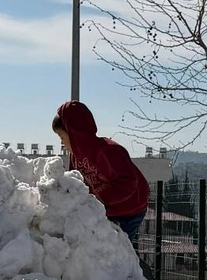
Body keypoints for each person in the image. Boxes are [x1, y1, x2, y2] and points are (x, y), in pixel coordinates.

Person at [52, 102, 151, 250]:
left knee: (119, 250)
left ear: (74, 133)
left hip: (130, 209)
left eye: (62, 136)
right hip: (106, 209)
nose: (61, 142)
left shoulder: (108, 151)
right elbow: (76, 182)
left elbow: (128, 182)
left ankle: (125, 270)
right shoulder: (75, 156)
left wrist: (101, 201)